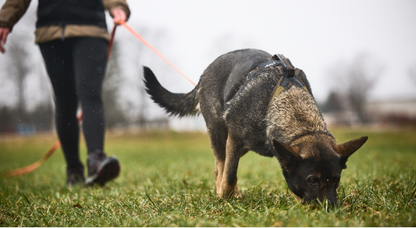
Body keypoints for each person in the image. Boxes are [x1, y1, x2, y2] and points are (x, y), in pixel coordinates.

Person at [0, 0, 131, 187]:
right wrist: (5, 20)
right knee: (64, 102)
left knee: (90, 95)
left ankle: (96, 160)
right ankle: (74, 171)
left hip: (90, 29)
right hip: (51, 32)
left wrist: (117, 6)